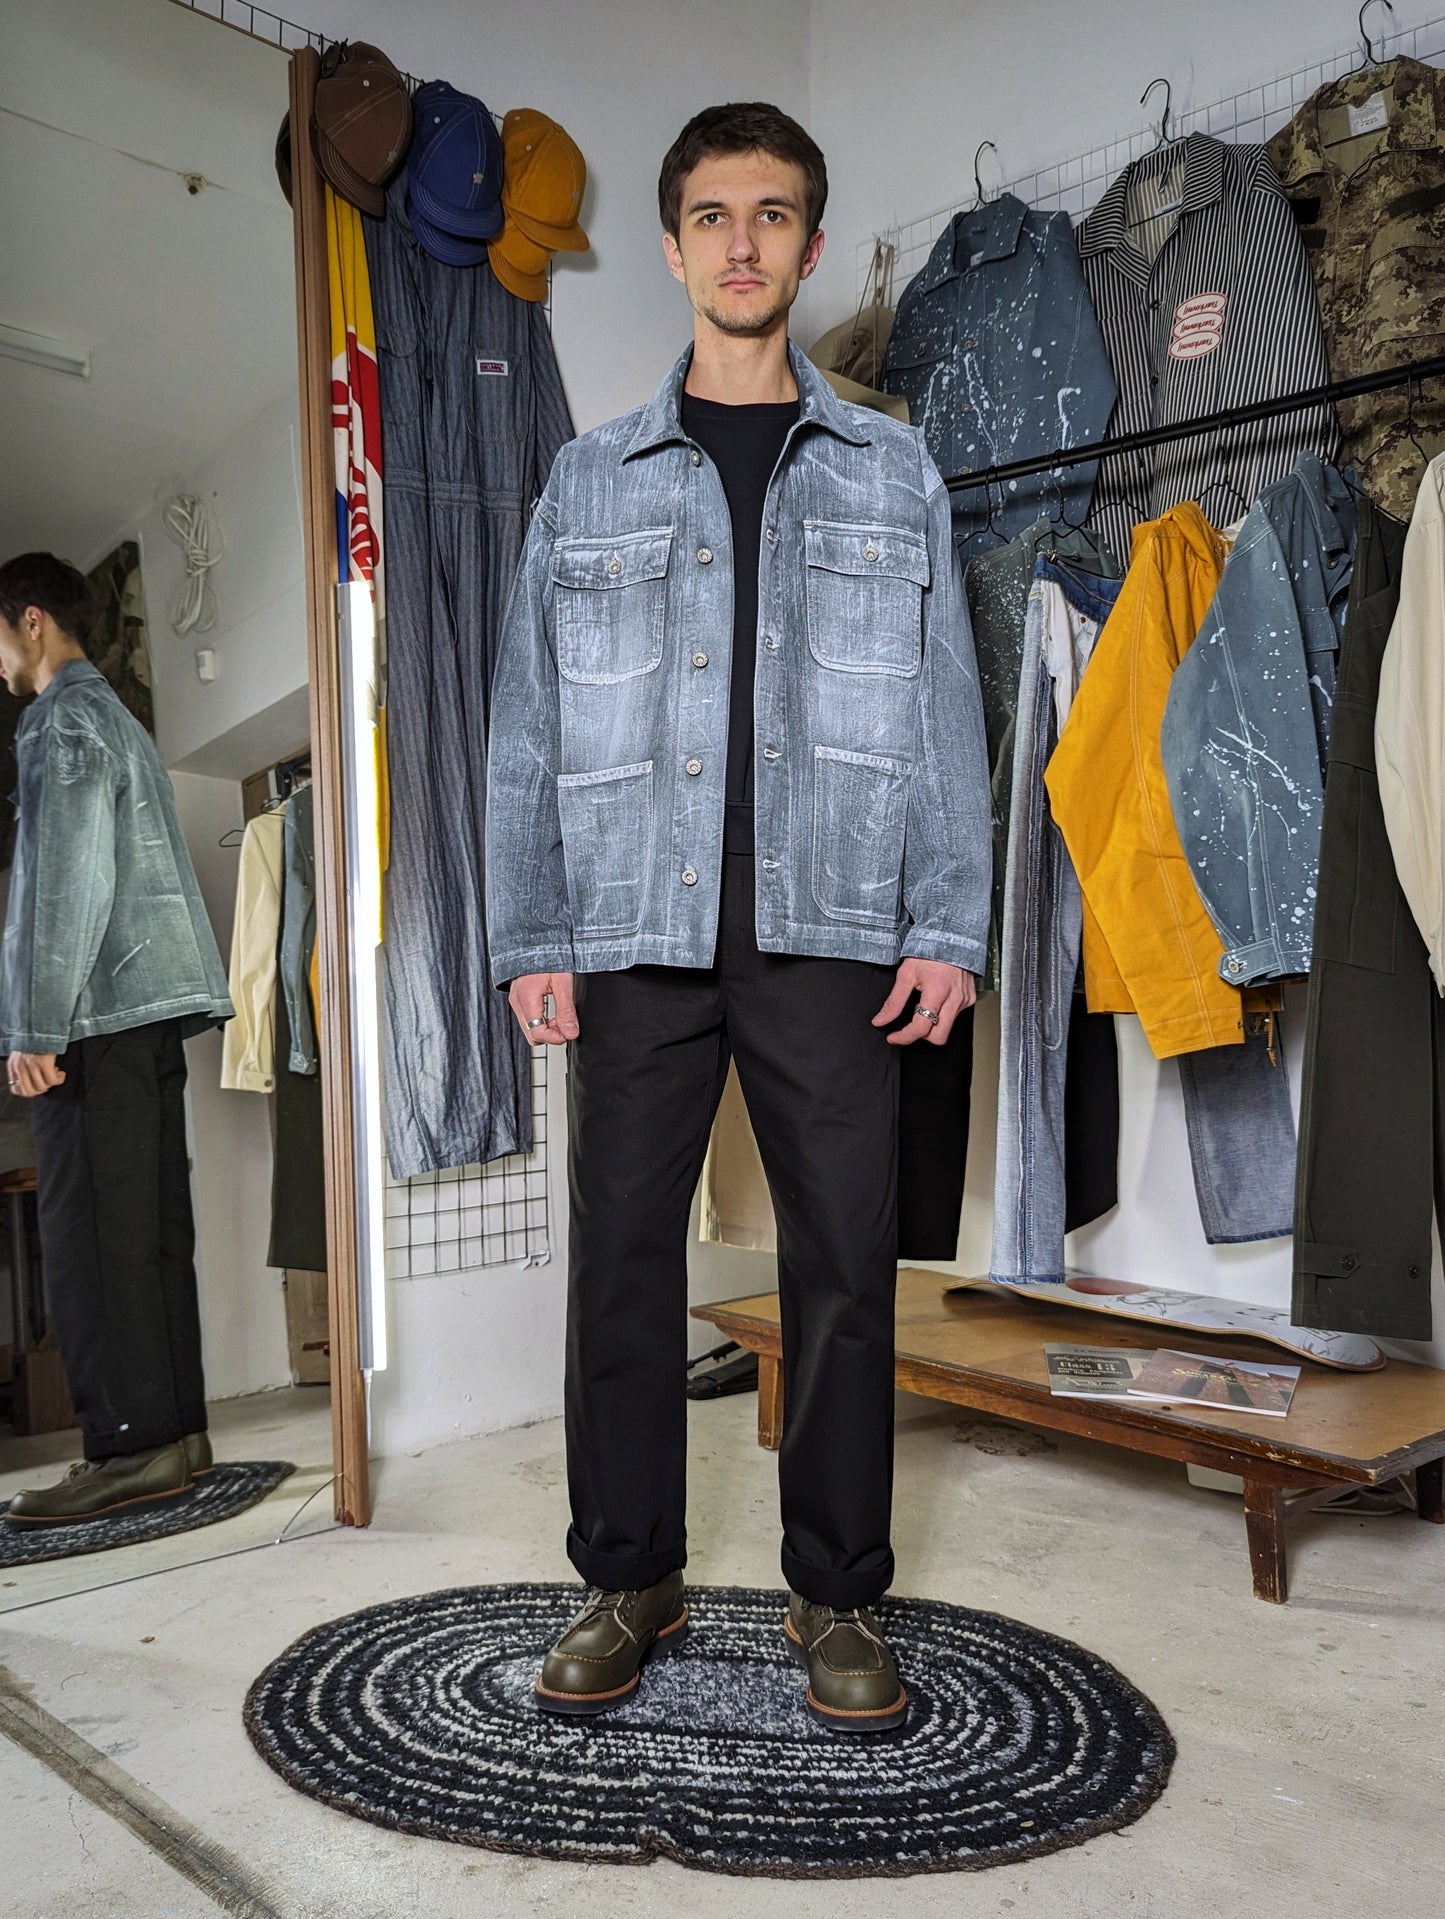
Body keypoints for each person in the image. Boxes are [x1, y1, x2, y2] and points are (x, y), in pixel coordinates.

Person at [485, 103, 990, 1732]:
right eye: (713, 215)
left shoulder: (892, 467)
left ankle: (836, 1589)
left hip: (830, 916)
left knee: (843, 1257)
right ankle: (627, 1572)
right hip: (632, 919)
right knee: (620, 1261)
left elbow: (946, 701)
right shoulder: (590, 478)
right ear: (674, 244)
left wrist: (949, 918)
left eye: (772, 213)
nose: (743, 242)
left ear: (810, 243)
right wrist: (531, 928)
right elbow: (525, 720)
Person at [0, 553, 233, 1523]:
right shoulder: (117, 717)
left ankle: (127, 1448)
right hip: (143, 1016)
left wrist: (34, 1023)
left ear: (31, 621)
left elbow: (65, 876)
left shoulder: (61, 718)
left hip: (92, 1020)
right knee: (150, 1230)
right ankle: (175, 1434)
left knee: (92, 1236)